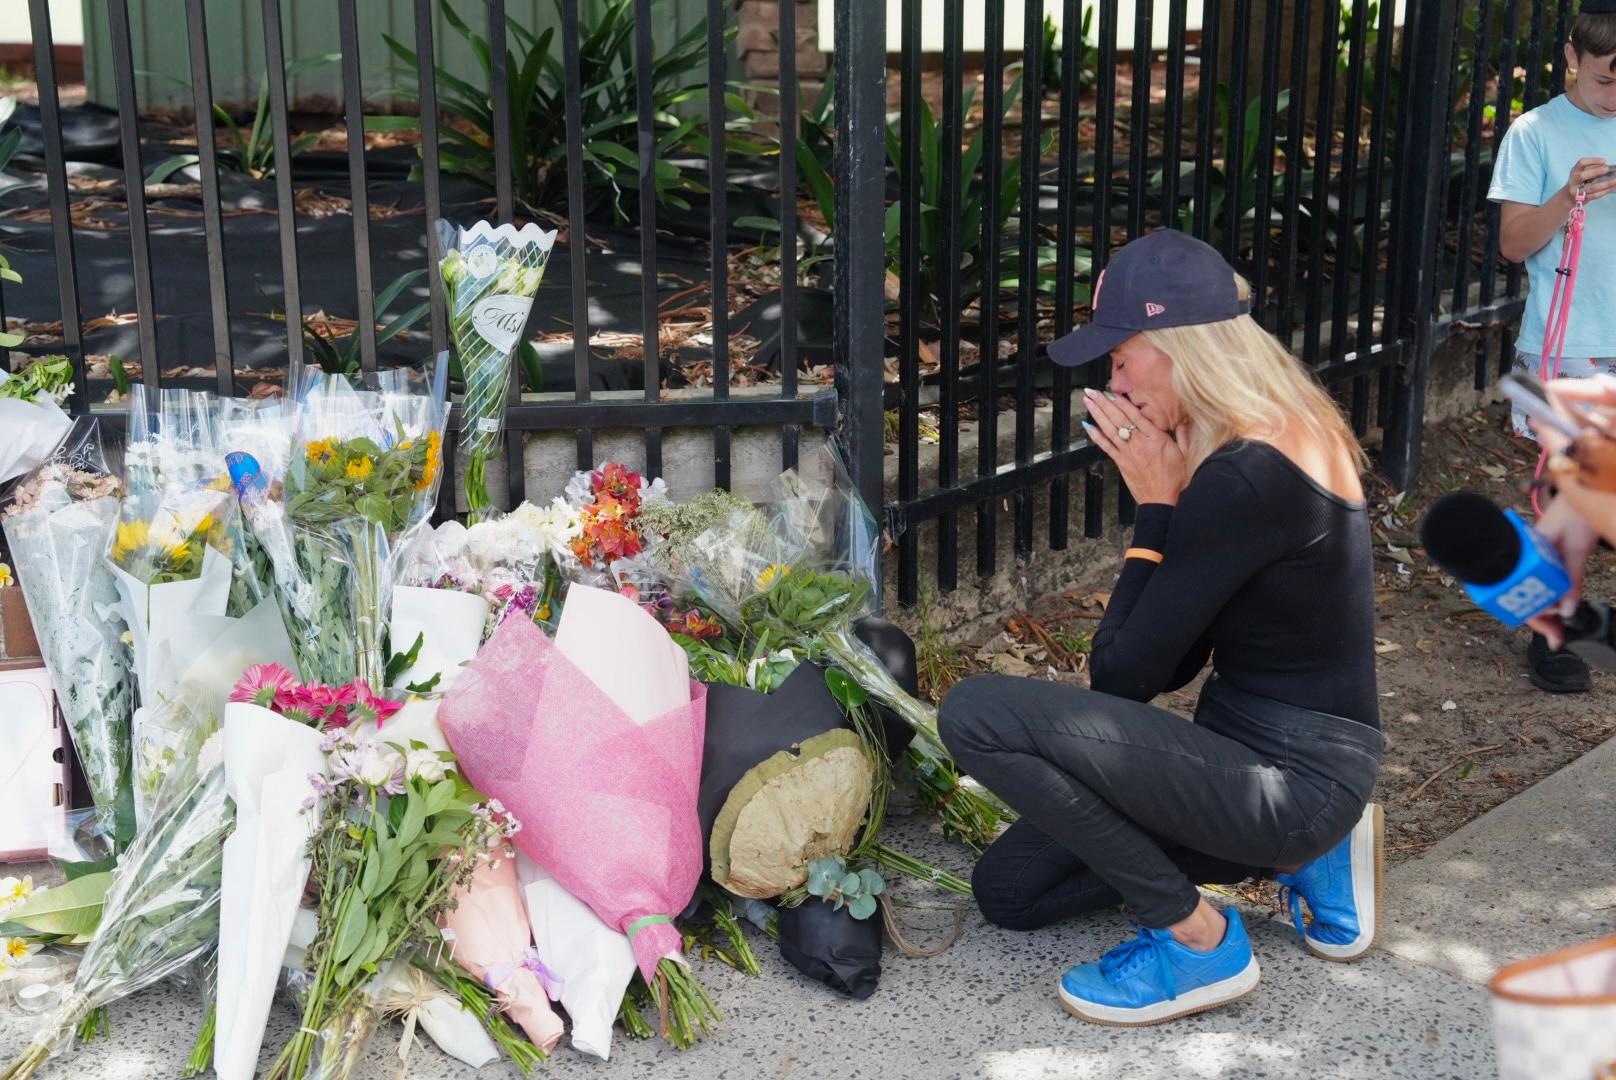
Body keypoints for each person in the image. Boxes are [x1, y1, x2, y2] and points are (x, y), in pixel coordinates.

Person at [939, 229, 1384, 1027]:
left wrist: (1155, 508)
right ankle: (1309, 856)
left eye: (1120, 358)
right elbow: (1171, 668)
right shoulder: (1279, 430)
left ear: (1181, 346)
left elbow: (1121, 679)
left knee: (974, 714)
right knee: (1008, 891)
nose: (1114, 383)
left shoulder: (1244, 477)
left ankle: (1197, 941)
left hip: (1288, 780)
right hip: (1268, 774)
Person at [1488, 0, 1616, 693]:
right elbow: (1513, 244)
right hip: (1573, 346)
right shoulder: (1535, 132)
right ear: (1571, 57)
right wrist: (1568, 196)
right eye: (1605, 80)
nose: (1615, 98)